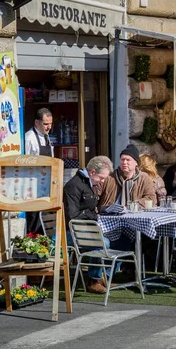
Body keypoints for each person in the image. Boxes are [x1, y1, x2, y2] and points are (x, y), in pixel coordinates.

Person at [63, 156, 114, 294]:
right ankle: (93, 280)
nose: (102, 181)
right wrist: (91, 214)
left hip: (84, 229)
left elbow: (90, 210)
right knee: (103, 243)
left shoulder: (89, 183)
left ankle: (104, 275)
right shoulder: (74, 185)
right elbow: (73, 216)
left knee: (115, 236)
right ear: (92, 172)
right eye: (101, 177)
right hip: (71, 232)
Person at [24, 108, 54, 234]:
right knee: (34, 218)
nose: (49, 127)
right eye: (46, 124)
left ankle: (43, 243)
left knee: (45, 218)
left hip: (45, 185)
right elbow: (25, 162)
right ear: (37, 123)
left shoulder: (47, 137)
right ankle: (32, 243)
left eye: (50, 123)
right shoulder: (29, 138)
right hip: (32, 186)